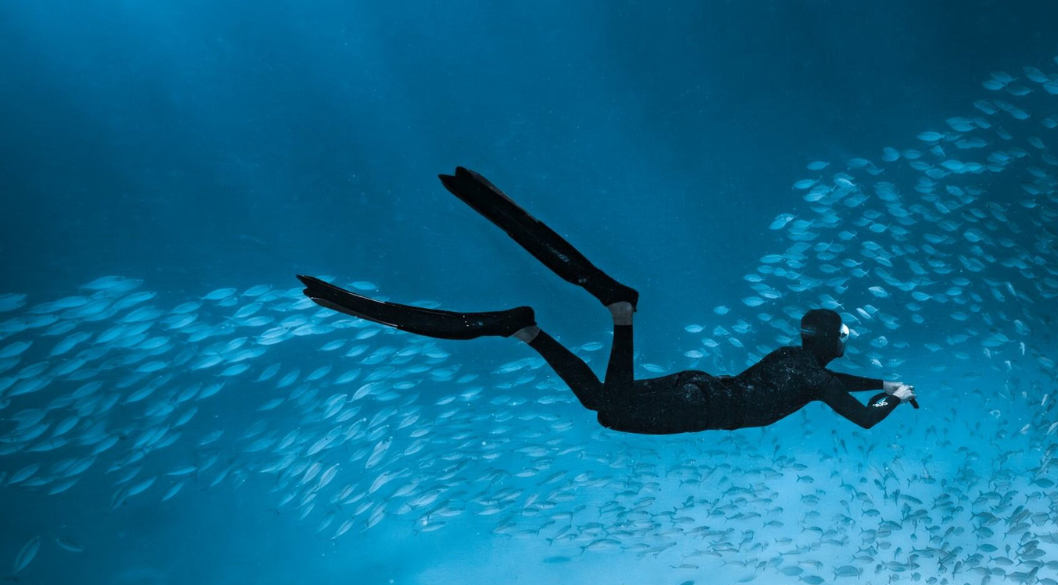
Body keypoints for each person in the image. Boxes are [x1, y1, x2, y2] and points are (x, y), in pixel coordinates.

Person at [296, 167, 917, 435]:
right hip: (700, 406)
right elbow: (861, 418)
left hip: (699, 387)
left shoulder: (796, 357)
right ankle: (619, 310)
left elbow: (837, 373)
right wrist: (892, 397)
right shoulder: (817, 382)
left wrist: (879, 377)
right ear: (829, 342)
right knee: (612, 414)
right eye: (843, 340)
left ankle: (523, 331)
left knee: (600, 401)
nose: (844, 348)